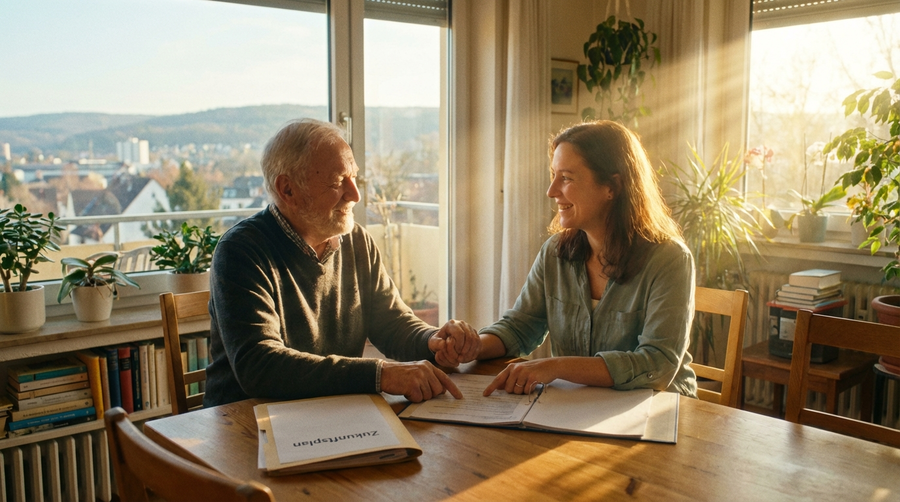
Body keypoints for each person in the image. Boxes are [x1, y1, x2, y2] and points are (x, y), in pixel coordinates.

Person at [204, 118, 479, 407]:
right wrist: (381, 374)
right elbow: (260, 366)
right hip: (244, 423)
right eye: (338, 182)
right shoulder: (241, 251)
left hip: (327, 411)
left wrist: (432, 341)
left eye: (354, 178)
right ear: (287, 190)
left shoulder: (357, 241)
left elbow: (393, 323)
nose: (355, 195)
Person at [467, 120, 697, 398]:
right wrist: (473, 346)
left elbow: (658, 366)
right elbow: (521, 327)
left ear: (612, 187)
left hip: (658, 413)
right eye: (553, 175)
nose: (552, 191)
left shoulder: (670, 259)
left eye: (566, 178)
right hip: (577, 409)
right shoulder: (554, 252)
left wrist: (557, 367)